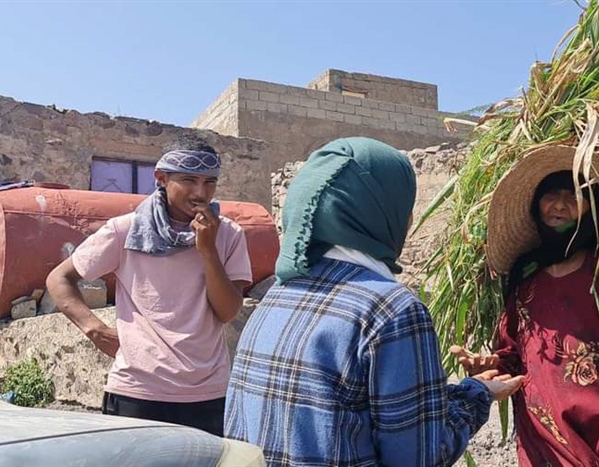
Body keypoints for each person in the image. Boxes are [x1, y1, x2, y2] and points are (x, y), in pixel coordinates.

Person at [224, 137, 524, 467]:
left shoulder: (277, 297)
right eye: (404, 208)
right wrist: (475, 395)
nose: (409, 221)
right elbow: (418, 457)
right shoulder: (392, 310)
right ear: (384, 214)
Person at [451, 146, 599, 466]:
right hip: (542, 444)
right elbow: (515, 356)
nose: (561, 204)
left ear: (592, 207)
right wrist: (489, 365)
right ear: (537, 204)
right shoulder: (524, 276)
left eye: (575, 195)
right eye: (551, 194)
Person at [46, 135, 252, 436]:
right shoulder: (125, 230)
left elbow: (227, 311)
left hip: (208, 394)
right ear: (161, 178)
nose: (200, 192)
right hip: (136, 392)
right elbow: (59, 278)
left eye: (210, 182)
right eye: (188, 180)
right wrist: (94, 328)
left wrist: (207, 250)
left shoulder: (229, 235)